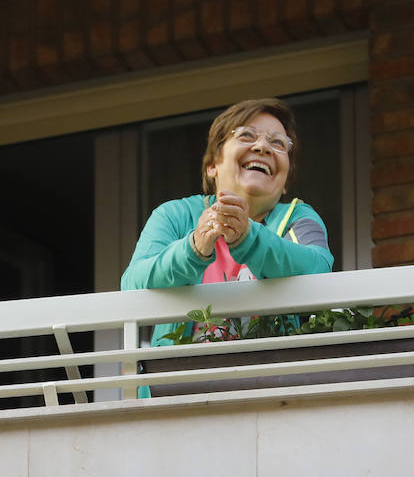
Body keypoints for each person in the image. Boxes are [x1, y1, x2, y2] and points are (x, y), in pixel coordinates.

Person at [121, 97, 334, 344]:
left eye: (278, 143)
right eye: (246, 136)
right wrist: (194, 249)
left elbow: (318, 270)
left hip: (273, 378)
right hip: (182, 378)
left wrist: (248, 238)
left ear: (285, 181)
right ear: (213, 165)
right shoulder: (175, 215)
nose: (263, 147)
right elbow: (133, 284)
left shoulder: (298, 218)